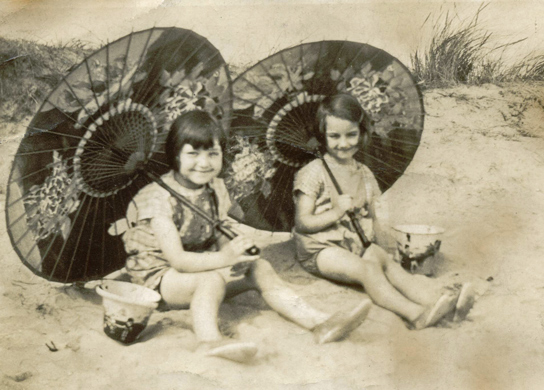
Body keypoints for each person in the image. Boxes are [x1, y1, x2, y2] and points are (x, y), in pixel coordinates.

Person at [115, 110, 372, 363]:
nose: (204, 163)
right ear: (175, 155)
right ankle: (208, 341)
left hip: (200, 264)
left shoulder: (214, 186)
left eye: (212, 154)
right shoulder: (157, 197)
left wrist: (236, 249)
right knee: (211, 281)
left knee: (259, 267)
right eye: (193, 153)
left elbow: (219, 226)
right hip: (161, 278)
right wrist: (224, 257)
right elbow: (178, 260)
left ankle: (319, 322)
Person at [292, 94, 475, 330]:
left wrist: (387, 251)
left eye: (351, 135)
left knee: (383, 260)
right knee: (367, 270)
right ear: (322, 135)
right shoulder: (314, 172)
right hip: (320, 248)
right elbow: (303, 223)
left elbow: (376, 219)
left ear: (361, 132)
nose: (344, 143)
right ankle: (415, 314)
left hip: (354, 243)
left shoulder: (365, 174)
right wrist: (337, 211)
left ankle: (436, 302)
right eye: (334, 136)